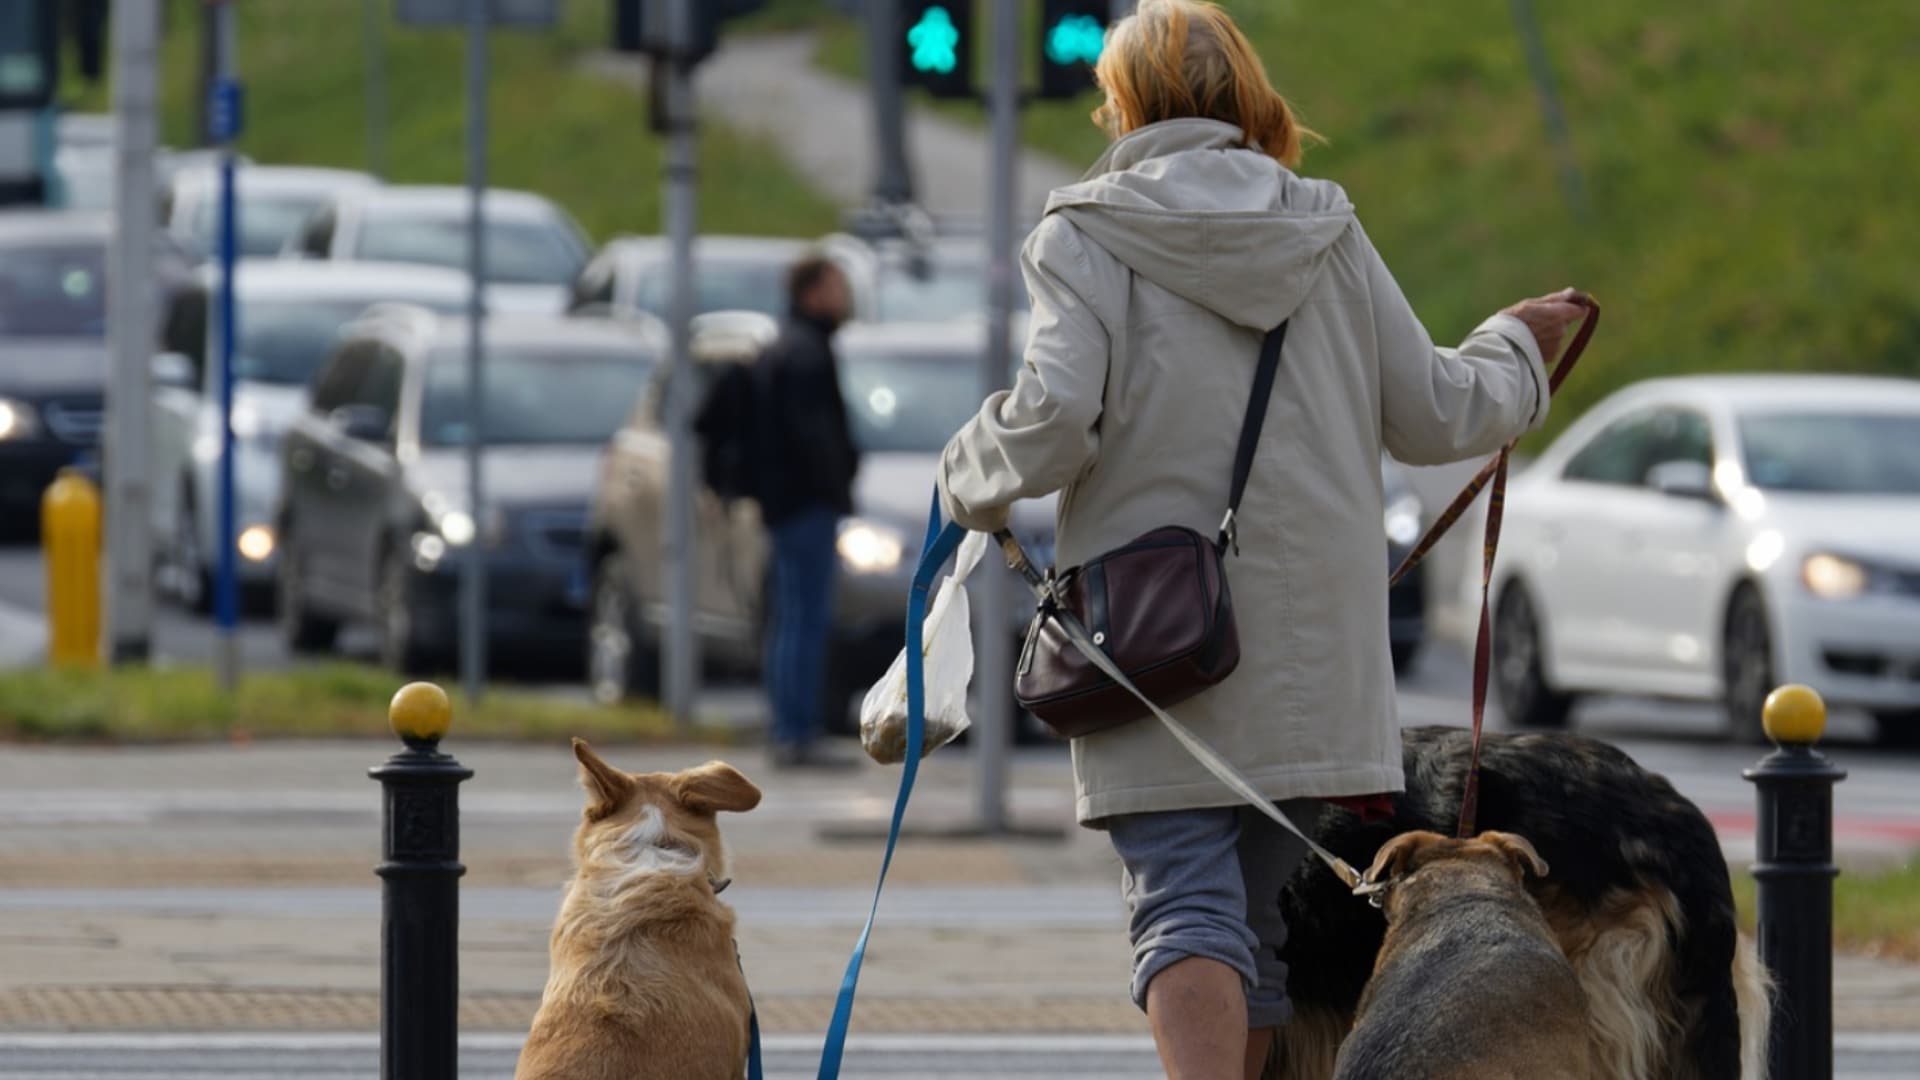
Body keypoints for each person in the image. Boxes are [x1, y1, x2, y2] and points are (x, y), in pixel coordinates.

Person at [933, 2, 1592, 1078]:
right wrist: (1518, 345)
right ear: (1248, 93)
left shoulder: (1085, 237)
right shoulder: (1326, 228)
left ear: (1124, 102)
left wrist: (963, 473)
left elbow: (1053, 421)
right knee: (1254, 920)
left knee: (1182, 901)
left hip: (1156, 634)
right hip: (1312, 654)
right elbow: (1438, 411)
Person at [757, 255, 861, 769]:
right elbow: (814, 435)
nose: (846, 296)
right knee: (803, 619)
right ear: (814, 291)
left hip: (789, 505)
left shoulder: (789, 344)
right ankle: (796, 732)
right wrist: (837, 483)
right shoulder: (806, 352)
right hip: (805, 506)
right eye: (838, 286)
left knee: (791, 617)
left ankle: (790, 727)